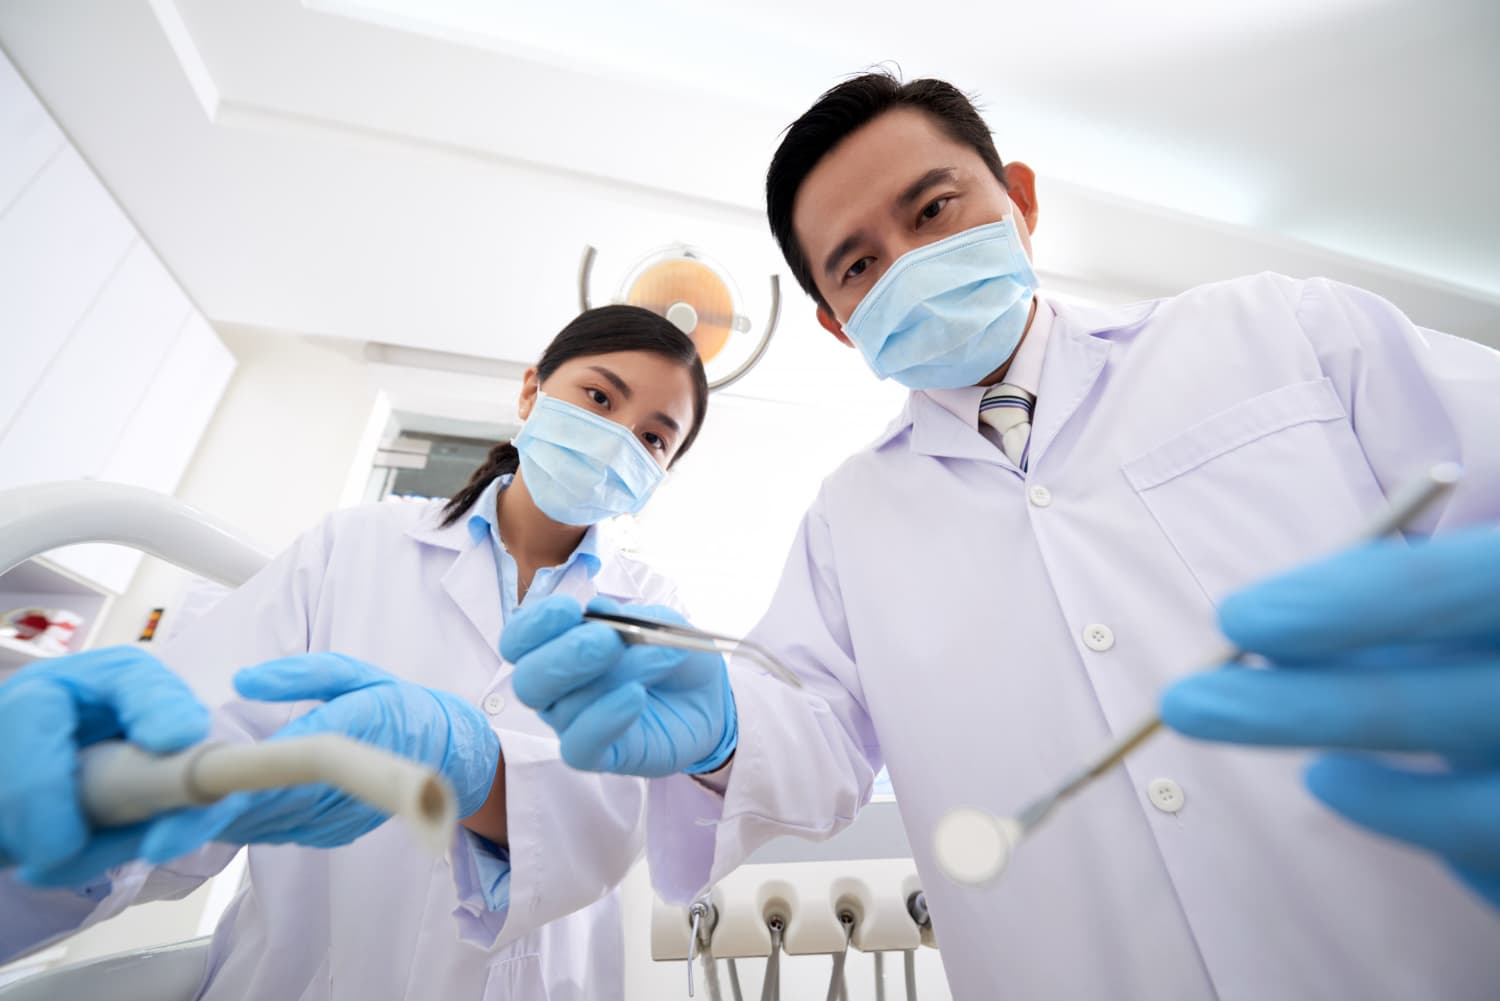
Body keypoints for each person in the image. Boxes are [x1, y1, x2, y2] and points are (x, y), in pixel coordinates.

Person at [500, 74, 1500, 998]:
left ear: (1018, 198)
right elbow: (810, 735)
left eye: (934, 209)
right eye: (858, 264)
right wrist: (721, 730)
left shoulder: (1280, 333)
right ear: (840, 324)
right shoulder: (853, 517)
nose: (910, 263)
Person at [0, 305, 715, 1000]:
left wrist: (472, 764)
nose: (616, 439)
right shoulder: (356, 545)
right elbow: (207, 735)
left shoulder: (650, 612)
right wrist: (83, 811)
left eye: (653, 439)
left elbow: (623, 817)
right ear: (532, 389)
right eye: (598, 397)